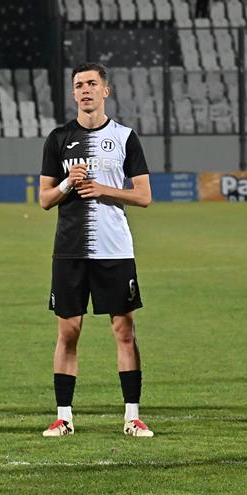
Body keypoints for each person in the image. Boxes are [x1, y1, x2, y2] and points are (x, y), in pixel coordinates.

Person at [38, 62, 153, 438]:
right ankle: (63, 417)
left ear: (106, 90)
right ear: (73, 93)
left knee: (124, 330)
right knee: (68, 331)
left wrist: (104, 190)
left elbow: (144, 196)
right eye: (78, 85)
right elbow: (44, 199)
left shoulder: (125, 137)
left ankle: (132, 416)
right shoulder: (58, 138)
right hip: (70, 250)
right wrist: (67, 184)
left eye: (91, 83)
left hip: (114, 249)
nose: (85, 90)